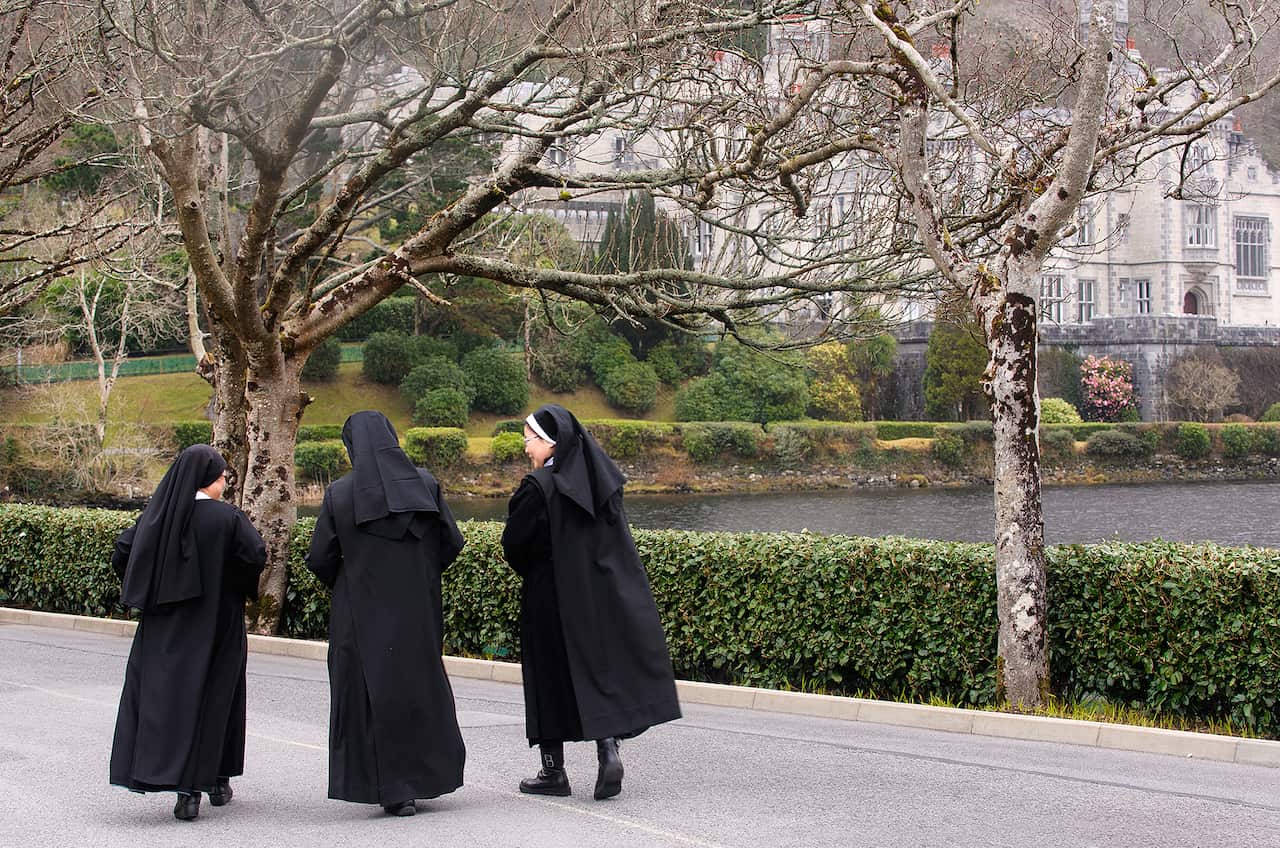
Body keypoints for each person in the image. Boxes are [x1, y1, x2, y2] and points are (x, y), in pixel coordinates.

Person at [501, 403, 681, 801]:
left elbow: (513, 544)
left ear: (550, 443)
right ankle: (608, 748)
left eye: (529, 440)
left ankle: (553, 772)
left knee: (548, 676)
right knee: (595, 672)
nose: (526, 449)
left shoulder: (538, 489)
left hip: (548, 597)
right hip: (598, 597)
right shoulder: (602, 485)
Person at [305, 410, 467, 817]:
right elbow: (451, 541)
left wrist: (351, 579)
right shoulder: (426, 485)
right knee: (418, 688)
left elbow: (319, 557)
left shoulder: (340, 494)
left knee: (367, 693)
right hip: (417, 610)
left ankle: (388, 787)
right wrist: (420, 574)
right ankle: (422, 780)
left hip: (359, 611)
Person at [110, 443, 266, 822]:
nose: (226, 481)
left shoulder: (157, 516)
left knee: (166, 701)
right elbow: (254, 555)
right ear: (208, 479)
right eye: (222, 475)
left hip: (164, 627)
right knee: (217, 698)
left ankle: (178, 784)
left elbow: (124, 552)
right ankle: (213, 780)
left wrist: (156, 589)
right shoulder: (226, 518)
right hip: (217, 622)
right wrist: (229, 584)